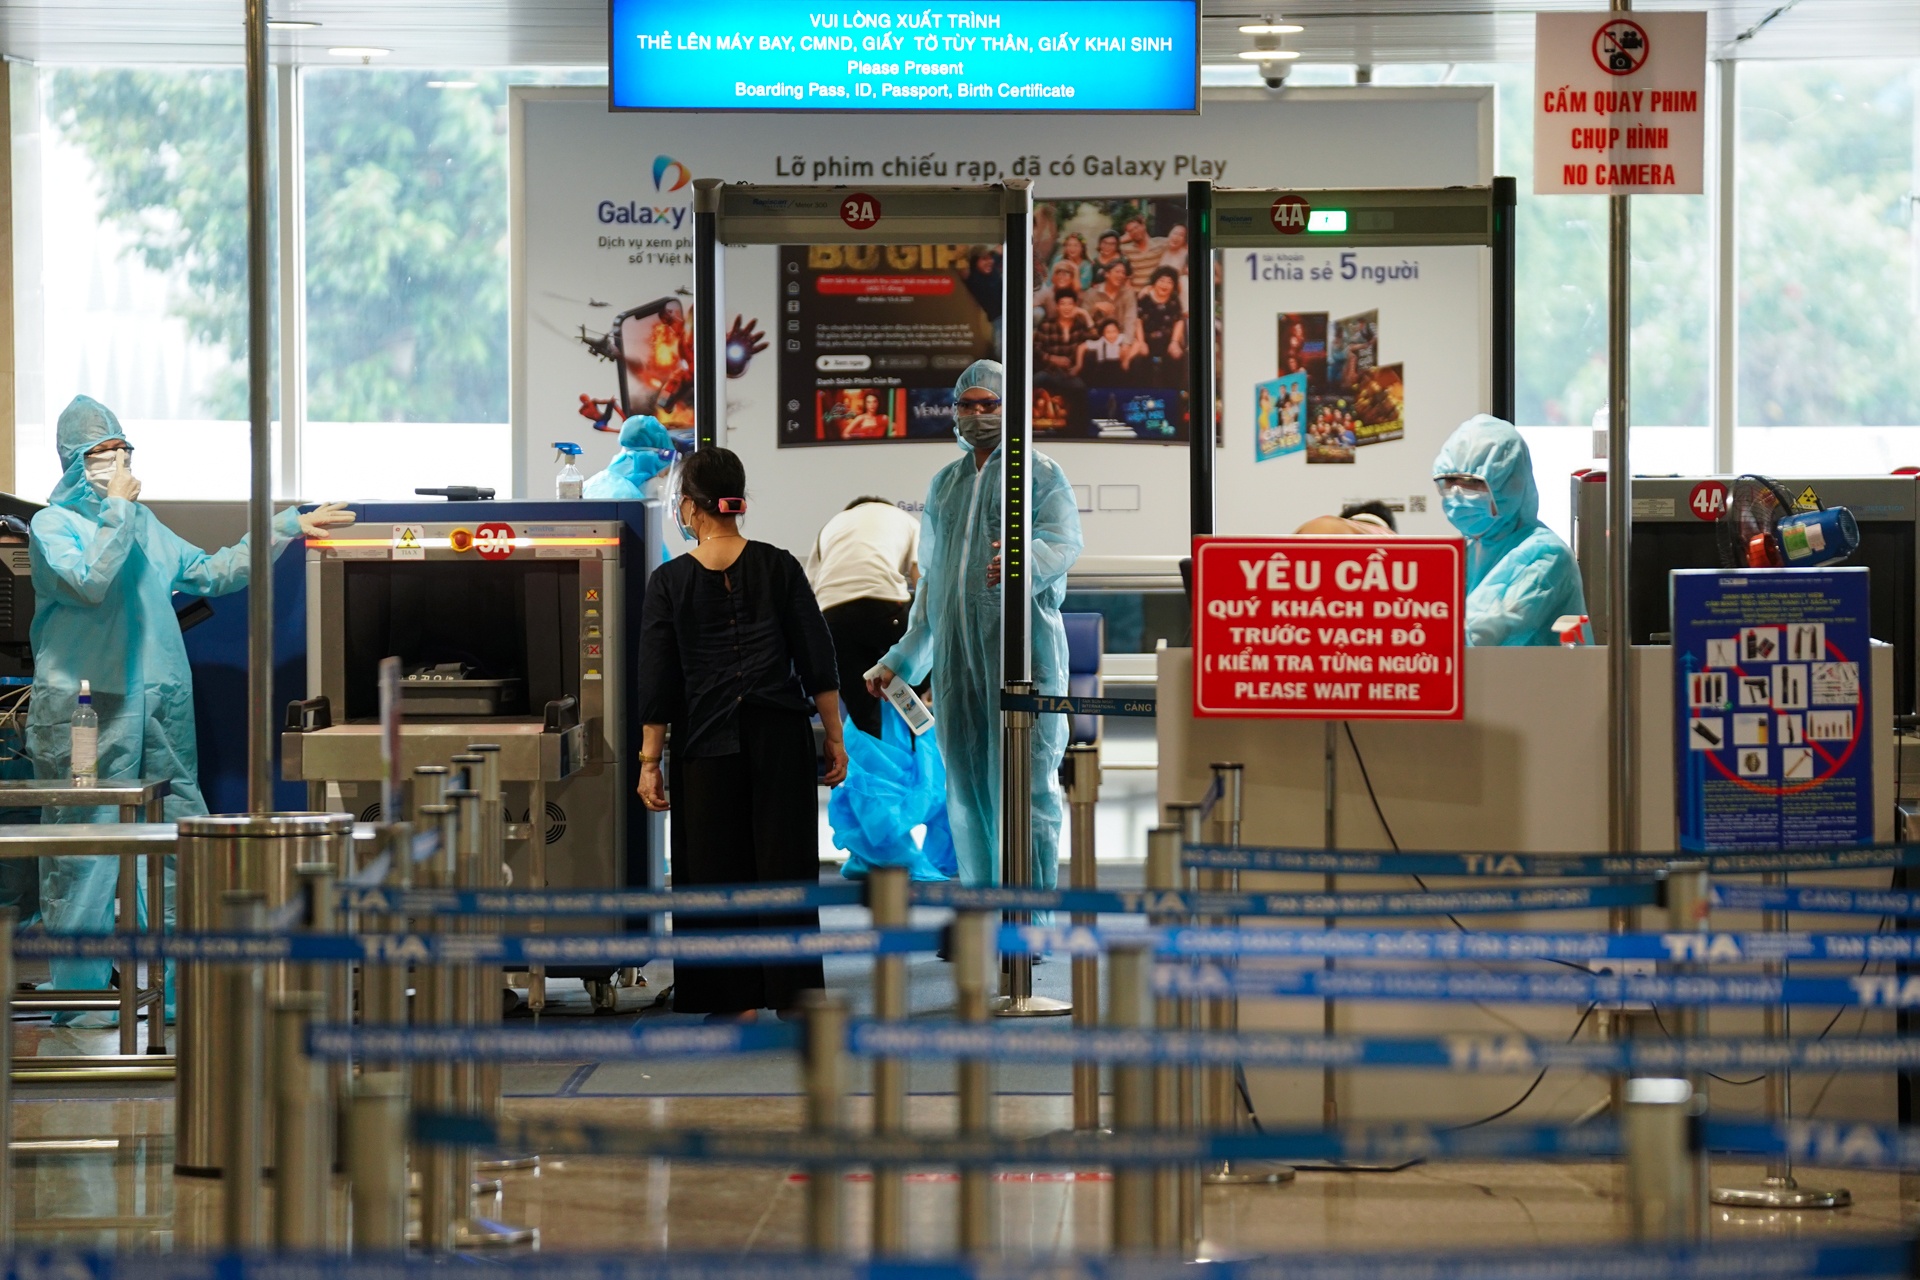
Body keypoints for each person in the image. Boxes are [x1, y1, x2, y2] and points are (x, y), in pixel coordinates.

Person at [28, 395, 355, 1015]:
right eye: (103, 452)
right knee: (85, 858)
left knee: (180, 849)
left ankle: (186, 997)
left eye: (124, 449)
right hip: (88, 715)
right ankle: (79, 998)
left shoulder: (143, 523)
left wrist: (283, 527)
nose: (118, 460)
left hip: (158, 709)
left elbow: (209, 571)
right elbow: (91, 581)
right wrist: (119, 508)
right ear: (74, 462)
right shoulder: (53, 528)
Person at [635, 447, 847, 1019]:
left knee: (711, 870)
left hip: (705, 744)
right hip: (778, 737)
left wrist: (649, 761)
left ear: (688, 507)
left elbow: (657, 679)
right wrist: (834, 737)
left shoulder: (669, 582)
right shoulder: (779, 566)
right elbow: (817, 657)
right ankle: (793, 993)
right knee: (785, 864)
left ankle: (729, 999)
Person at [865, 360, 1083, 890]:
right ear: (956, 410)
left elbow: (1062, 542)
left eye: (991, 405)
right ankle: (988, 908)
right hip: (960, 670)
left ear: (1012, 411)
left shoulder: (1039, 474)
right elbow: (935, 586)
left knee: (1025, 789)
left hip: (1023, 657)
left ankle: (1028, 917)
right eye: (970, 405)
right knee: (966, 791)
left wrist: (1020, 562)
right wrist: (901, 660)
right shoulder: (945, 485)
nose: (979, 415)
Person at [1431, 414, 1587, 647]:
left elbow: (1478, 635)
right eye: (1449, 482)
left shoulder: (1546, 556)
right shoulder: (1467, 550)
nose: (1457, 494)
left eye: (1471, 483)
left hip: (1541, 682)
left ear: (1511, 484)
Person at [805, 496, 921, 739]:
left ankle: (874, 769)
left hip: (833, 614)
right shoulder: (906, 520)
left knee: (862, 711)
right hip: (886, 605)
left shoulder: (831, 526)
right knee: (913, 684)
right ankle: (914, 744)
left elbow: (811, 591)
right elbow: (922, 579)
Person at [581, 410, 673, 499]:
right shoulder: (633, 498)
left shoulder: (590, 485)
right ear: (656, 462)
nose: (665, 476)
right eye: (665, 473)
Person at [1121, 216, 1167, 290]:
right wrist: (1122, 239)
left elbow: (1179, 242)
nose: (1135, 231)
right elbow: (1106, 248)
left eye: (1136, 227)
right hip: (1135, 293)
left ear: (1143, 226)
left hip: (1154, 293)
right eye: (1130, 231)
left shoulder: (1160, 243)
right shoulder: (1126, 249)